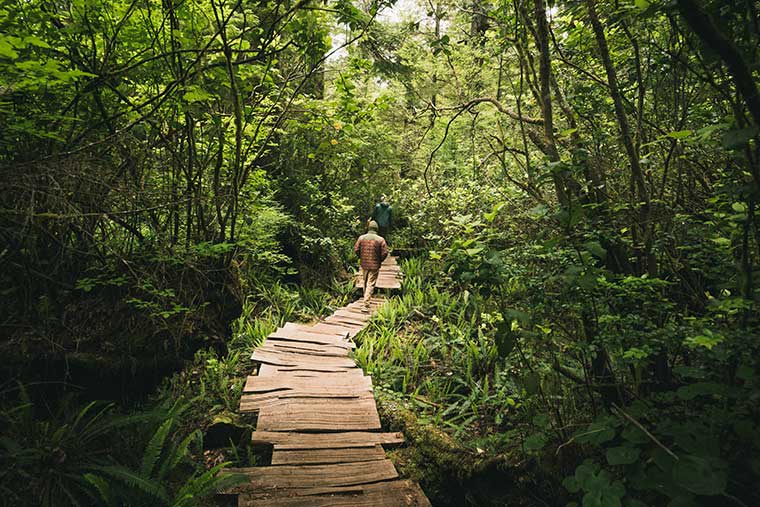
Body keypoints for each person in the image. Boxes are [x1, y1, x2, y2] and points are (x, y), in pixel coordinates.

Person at [354, 220, 389, 312]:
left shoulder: (361, 238)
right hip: (375, 265)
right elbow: (385, 252)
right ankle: (366, 304)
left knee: (365, 282)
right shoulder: (380, 239)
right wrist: (380, 260)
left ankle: (365, 298)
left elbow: (356, 249)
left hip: (364, 264)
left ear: (368, 228)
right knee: (371, 283)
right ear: (376, 229)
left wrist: (361, 257)